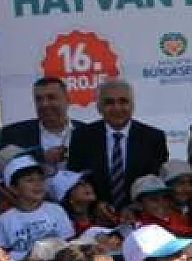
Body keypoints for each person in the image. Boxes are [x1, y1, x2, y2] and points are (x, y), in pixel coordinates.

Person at [66, 79, 169, 208]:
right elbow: (75, 179)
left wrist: (135, 208)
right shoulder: (81, 137)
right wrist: (95, 205)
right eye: (109, 102)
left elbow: (156, 183)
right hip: (96, 214)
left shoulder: (154, 138)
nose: (117, 108)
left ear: (132, 106)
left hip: (140, 213)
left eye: (123, 101)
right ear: (99, 107)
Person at [0, 155, 75, 261]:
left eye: (41, 179)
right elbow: (1, 254)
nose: (38, 184)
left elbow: (68, 242)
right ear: (14, 188)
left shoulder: (56, 210)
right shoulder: (4, 220)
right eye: (30, 180)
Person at [0, 77, 86, 174]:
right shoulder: (14, 133)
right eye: (39, 99)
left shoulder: (86, 132)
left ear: (67, 100)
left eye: (51, 98)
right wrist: (40, 157)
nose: (44, 104)